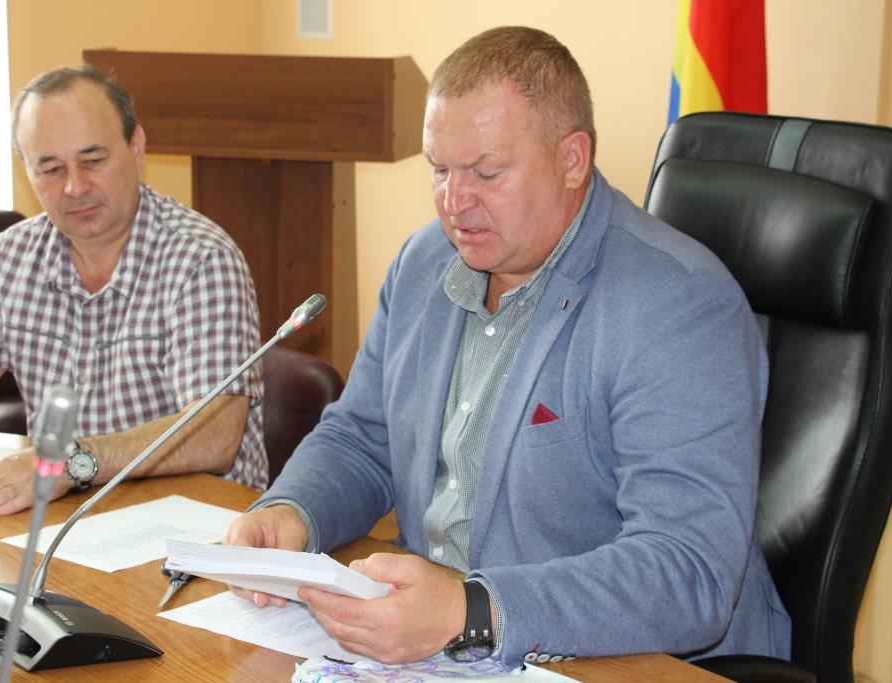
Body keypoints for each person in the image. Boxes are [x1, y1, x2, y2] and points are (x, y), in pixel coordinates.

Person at [222, 26, 791, 667]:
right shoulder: (422, 264)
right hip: (433, 646)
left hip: (624, 660)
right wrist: (292, 510)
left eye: (486, 173)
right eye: (439, 169)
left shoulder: (676, 304)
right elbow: (364, 437)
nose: (453, 202)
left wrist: (472, 610)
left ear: (572, 160)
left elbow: (689, 572)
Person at [0, 65, 267, 514]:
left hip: (196, 520)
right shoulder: (12, 255)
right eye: (51, 169)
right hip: (68, 518)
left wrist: (73, 461)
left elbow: (215, 433)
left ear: (136, 147)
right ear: (27, 171)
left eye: (92, 160)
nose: (75, 187)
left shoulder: (200, 257)